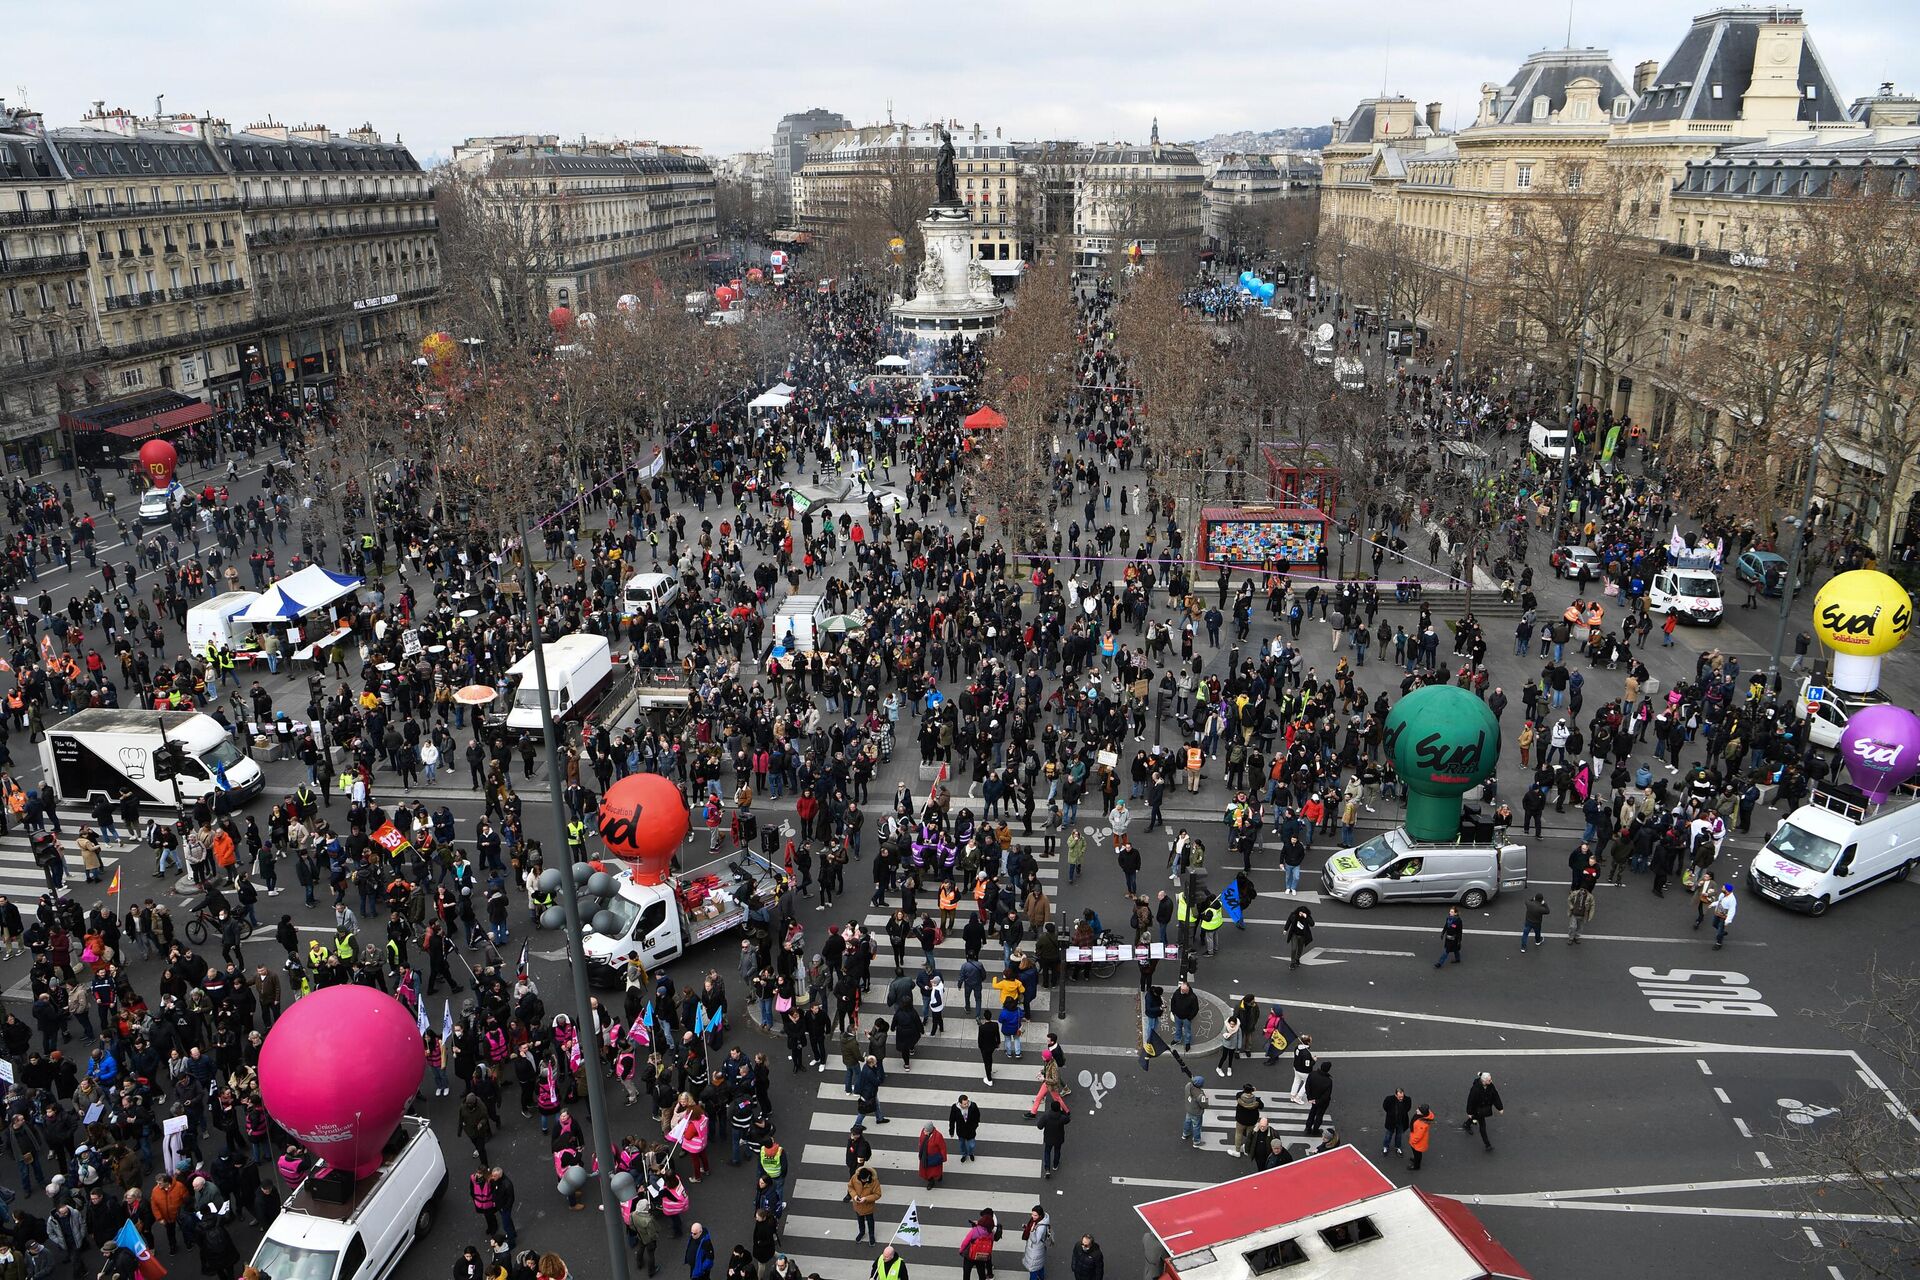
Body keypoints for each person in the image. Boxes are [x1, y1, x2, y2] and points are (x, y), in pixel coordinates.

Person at [1464, 1072, 1504, 1152]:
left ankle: (1467, 1124)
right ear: (1484, 1081)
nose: (1491, 1081)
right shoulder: (1475, 1089)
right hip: (1477, 1110)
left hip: (1483, 1108)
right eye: (1489, 1080)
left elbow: (1495, 1096)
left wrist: (1500, 1107)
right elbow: (1471, 1101)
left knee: (1474, 1118)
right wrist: (1469, 1112)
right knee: (1482, 1126)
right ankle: (1487, 1145)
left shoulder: (1490, 1085)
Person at [847, 1163, 883, 1243]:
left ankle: (871, 1235)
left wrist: (866, 1198)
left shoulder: (874, 1181)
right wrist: (855, 1196)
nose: (864, 1181)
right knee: (860, 1220)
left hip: (868, 1207)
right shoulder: (854, 1178)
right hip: (858, 1205)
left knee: (870, 1221)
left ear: (869, 1176)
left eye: (865, 1179)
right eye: (862, 1179)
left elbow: (878, 1194)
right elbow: (850, 1187)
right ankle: (862, 1232)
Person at [1021, 1206, 1054, 1280]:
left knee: (1033, 1270)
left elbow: (1035, 1240)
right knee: (1039, 1266)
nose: (1033, 1216)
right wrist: (1027, 1228)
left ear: (1040, 1215)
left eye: (1035, 1215)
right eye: (1032, 1214)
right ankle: (1041, 1278)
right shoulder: (1038, 1221)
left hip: (1035, 1251)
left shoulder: (1041, 1227)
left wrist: (1032, 1232)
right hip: (1038, 1250)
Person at [1303, 1060, 1334, 1135]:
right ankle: (1315, 1130)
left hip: (1312, 1098)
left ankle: (1308, 1128)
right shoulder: (1328, 1081)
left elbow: (1307, 1086)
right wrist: (1317, 1101)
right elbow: (1326, 1095)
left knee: (1312, 1113)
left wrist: (1310, 1098)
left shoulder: (1312, 1074)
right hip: (1322, 1102)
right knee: (1319, 1115)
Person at [1380, 1087, 1412, 1157]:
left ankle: (1398, 1147)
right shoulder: (1389, 1099)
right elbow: (1385, 1107)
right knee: (1388, 1135)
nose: (1401, 1098)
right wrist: (1391, 1113)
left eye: (1402, 1096)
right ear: (1395, 1095)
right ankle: (1385, 1147)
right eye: (1399, 1097)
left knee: (1399, 1136)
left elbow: (1408, 1108)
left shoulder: (1407, 1099)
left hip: (1401, 1121)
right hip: (1391, 1121)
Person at [917, 1123, 948, 1187]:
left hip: (934, 1158)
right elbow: (920, 1142)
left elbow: (942, 1147)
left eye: (926, 1131)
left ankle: (938, 1176)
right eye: (924, 1130)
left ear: (930, 1131)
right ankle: (931, 1181)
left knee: (935, 1170)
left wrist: (943, 1157)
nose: (924, 1132)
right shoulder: (924, 1132)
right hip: (925, 1157)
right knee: (928, 1171)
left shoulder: (938, 1136)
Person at [1407, 1104, 1434, 1170]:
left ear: (1422, 1113)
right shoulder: (1424, 1116)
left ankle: (1416, 1166)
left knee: (1417, 1154)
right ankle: (1416, 1160)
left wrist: (1412, 1141)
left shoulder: (1422, 1124)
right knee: (1417, 1153)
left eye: (1418, 1110)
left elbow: (1418, 1136)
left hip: (1418, 1142)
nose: (1416, 1110)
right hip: (1418, 1141)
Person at [1711, 884, 1737, 950]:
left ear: (1727, 890)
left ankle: (1718, 943)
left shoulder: (1732, 900)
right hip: (1717, 914)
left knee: (1719, 933)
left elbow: (1732, 911)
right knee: (1714, 924)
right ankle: (1722, 932)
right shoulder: (1722, 894)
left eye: (1723, 888)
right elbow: (1719, 902)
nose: (1722, 888)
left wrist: (1727, 921)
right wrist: (1713, 904)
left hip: (1724, 917)